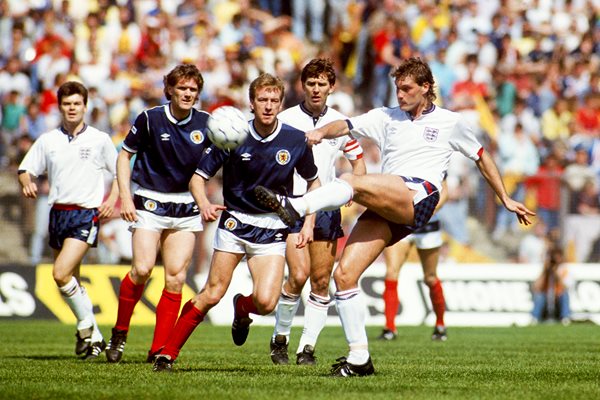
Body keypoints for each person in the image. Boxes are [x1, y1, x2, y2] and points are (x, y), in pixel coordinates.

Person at [254, 57, 535, 377]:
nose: (399, 95)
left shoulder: (449, 121)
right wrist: (319, 132)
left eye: (406, 89)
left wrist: (505, 198)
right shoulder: (385, 117)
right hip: (389, 201)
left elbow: (482, 158)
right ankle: (359, 358)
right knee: (344, 275)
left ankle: (296, 206)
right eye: (397, 89)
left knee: (348, 182)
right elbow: (345, 125)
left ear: (426, 87)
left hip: (420, 195)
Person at [151, 73, 320, 372]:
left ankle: (242, 307)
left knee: (266, 303)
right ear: (251, 103)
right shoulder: (231, 133)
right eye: (262, 100)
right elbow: (197, 179)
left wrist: (308, 223)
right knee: (212, 292)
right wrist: (203, 204)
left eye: (274, 100)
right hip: (234, 224)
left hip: (272, 227)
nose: (268, 106)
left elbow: (314, 183)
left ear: (281, 104)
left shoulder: (295, 140)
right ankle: (168, 353)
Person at [105, 64, 211, 364]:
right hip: (150, 202)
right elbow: (124, 155)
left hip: (186, 206)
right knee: (141, 269)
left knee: (176, 277)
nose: (188, 94)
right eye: (182, 88)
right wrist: (125, 197)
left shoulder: (207, 123)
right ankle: (120, 332)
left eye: (193, 89)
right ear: (170, 90)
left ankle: (159, 349)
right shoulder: (150, 118)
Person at [269, 58, 366, 366]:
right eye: (310, 83)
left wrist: (355, 187)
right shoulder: (285, 119)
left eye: (321, 83)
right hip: (291, 207)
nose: (315, 88)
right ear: (303, 85)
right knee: (297, 275)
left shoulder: (339, 122)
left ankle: (306, 348)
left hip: (325, 209)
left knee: (321, 281)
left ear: (331, 87)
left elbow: (358, 161)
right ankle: (280, 338)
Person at [17, 80, 119, 359]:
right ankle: (91, 336)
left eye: (77, 103)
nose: (72, 108)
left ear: (86, 107)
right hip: (57, 213)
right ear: (60, 107)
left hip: (85, 214)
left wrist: (112, 199)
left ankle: (89, 327)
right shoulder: (48, 140)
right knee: (70, 279)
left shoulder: (99, 139)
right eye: (67, 104)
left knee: (60, 273)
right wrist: (27, 182)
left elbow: (121, 170)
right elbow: (25, 168)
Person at [379, 182, 448, 342]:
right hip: (401, 220)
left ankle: (440, 324)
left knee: (430, 277)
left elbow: (445, 193)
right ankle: (389, 328)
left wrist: (427, 209)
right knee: (391, 272)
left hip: (428, 225)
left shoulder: (435, 158)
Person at [531, 245, 572, 325]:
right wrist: (545, 272)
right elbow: (536, 287)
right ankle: (535, 318)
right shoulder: (546, 269)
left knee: (564, 295)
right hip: (547, 298)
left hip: (559, 298)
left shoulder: (564, 269)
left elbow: (566, 286)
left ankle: (565, 318)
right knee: (539, 296)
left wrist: (556, 274)